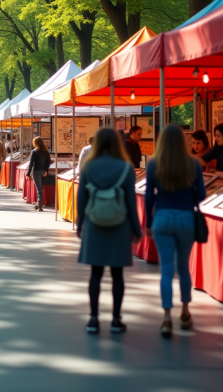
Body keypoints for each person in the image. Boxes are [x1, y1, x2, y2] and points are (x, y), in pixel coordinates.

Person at [76, 127, 142, 334]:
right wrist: (136, 228)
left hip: (94, 224)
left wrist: (80, 225)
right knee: (117, 275)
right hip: (119, 224)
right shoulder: (126, 168)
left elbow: (81, 199)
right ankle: (115, 319)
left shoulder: (89, 168)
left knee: (95, 274)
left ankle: (93, 319)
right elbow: (131, 202)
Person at [145, 124, 206, 338]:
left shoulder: (154, 163)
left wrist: (148, 223)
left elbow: (149, 197)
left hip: (162, 218)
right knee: (183, 267)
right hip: (186, 219)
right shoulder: (193, 163)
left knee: (166, 270)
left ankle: (166, 318)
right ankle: (186, 312)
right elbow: (202, 195)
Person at [26, 137, 50, 212]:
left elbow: (31, 164)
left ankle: (40, 206)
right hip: (43, 171)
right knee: (40, 188)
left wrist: (28, 173)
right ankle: (38, 204)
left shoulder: (34, 151)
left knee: (39, 189)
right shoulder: (46, 151)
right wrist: (46, 171)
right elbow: (48, 162)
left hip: (36, 171)